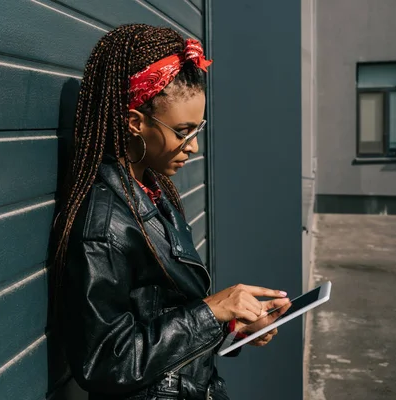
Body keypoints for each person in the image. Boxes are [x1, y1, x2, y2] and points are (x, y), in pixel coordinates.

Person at [51, 24, 291, 400]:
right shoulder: (104, 226)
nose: (193, 147)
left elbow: (163, 316)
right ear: (135, 123)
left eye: (198, 129)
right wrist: (211, 312)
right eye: (182, 131)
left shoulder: (153, 189)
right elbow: (103, 363)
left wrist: (231, 327)